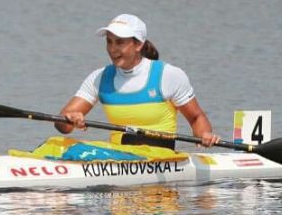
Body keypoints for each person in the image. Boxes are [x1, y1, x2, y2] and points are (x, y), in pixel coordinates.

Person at [55, 13, 219, 150]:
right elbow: (62, 124)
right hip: (118, 159)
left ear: (138, 44)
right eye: (109, 42)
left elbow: (197, 118)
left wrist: (203, 136)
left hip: (160, 160)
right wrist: (70, 120)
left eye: (120, 42)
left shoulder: (168, 75)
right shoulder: (99, 78)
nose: (112, 49)